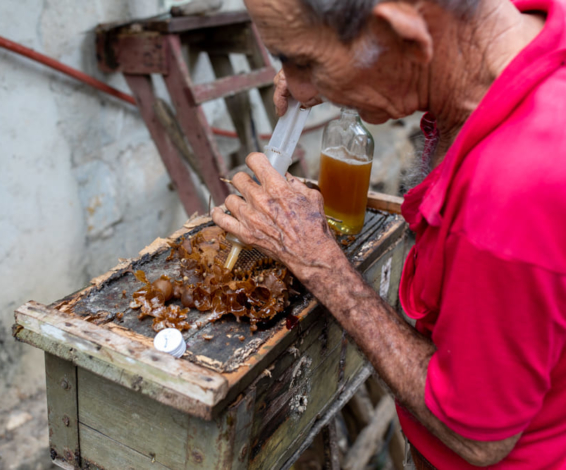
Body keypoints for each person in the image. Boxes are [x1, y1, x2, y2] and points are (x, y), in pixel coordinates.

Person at [211, 0, 566, 467]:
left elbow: (477, 437)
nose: (296, 86)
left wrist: (317, 260)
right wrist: (321, 66)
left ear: (402, 37)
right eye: (285, 60)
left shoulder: (513, 190)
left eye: (306, 61)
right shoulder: (505, 28)